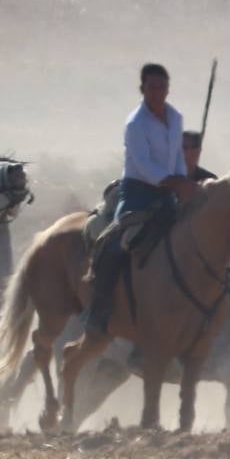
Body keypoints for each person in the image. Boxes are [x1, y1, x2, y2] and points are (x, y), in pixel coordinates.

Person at [84, 62, 190, 337]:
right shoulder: (136, 123)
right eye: (152, 87)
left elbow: (177, 155)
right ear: (142, 89)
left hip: (169, 190)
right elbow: (142, 164)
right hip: (138, 192)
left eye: (162, 86)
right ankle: (101, 311)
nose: (157, 92)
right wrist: (172, 180)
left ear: (168, 89)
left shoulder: (176, 117)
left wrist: (182, 181)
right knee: (121, 241)